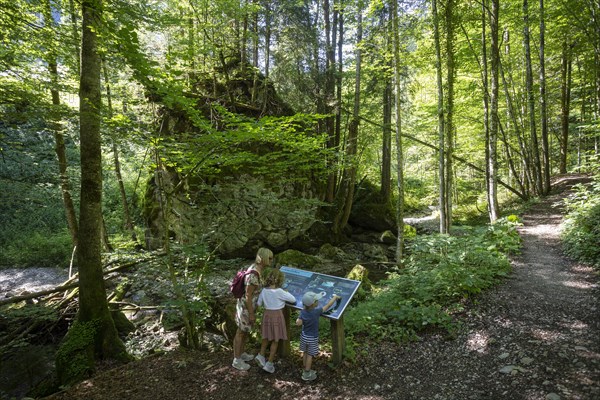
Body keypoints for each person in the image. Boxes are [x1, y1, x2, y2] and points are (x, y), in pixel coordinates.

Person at [232, 247, 273, 371]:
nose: (271, 261)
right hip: (245, 308)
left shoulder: (257, 270)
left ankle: (241, 353)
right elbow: (248, 295)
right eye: (269, 258)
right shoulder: (253, 274)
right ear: (263, 259)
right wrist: (251, 314)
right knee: (240, 332)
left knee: (244, 332)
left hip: (247, 307)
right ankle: (237, 359)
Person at [255, 269, 296, 373]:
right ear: (280, 280)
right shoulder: (280, 291)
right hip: (277, 315)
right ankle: (269, 363)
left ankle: (261, 355)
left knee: (266, 336)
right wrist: (286, 293)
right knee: (275, 340)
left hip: (267, 314)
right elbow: (293, 300)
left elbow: (259, 303)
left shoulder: (264, 290)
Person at [295, 291, 341, 381]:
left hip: (304, 336)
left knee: (305, 352)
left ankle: (305, 368)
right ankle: (307, 374)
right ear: (313, 304)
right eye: (317, 301)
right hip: (312, 338)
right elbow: (328, 306)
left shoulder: (303, 312)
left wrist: (299, 319)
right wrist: (335, 298)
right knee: (310, 354)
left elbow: (298, 323)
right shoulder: (316, 311)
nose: (318, 302)